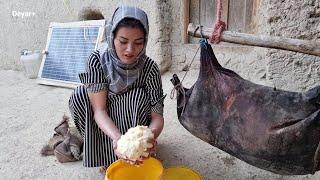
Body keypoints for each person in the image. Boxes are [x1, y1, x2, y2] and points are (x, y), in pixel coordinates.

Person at [68, 5, 165, 171]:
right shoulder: (97, 60)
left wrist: (149, 138)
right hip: (108, 124)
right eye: (123, 41)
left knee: (134, 97)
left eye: (138, 43)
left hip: (134, 128)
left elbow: (157, 117)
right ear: (112, 36)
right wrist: (118, 139)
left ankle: (136, 154)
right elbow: (99, 110)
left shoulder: (150, 68)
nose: (130, 50)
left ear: (145, 41)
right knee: (79, 96)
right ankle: (105, 154)